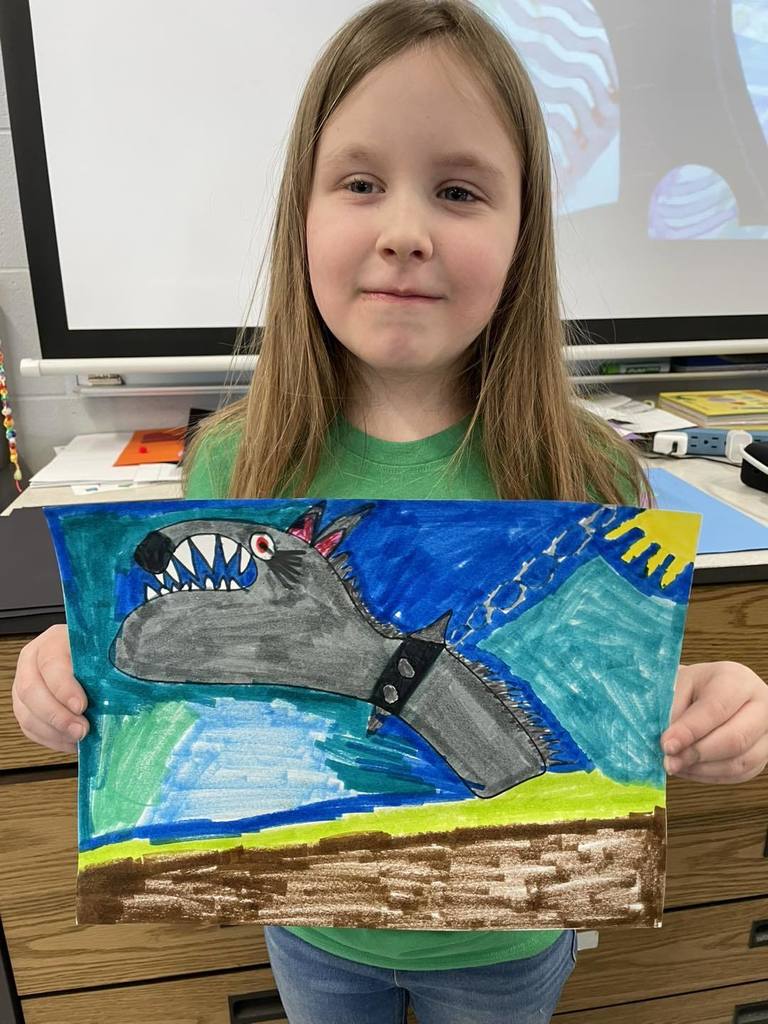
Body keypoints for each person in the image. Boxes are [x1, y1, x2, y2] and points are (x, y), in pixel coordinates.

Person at [12, 1, 768, 1021]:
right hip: (314, 933)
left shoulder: (585, 469)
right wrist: (70, 677)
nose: (405, 232)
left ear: (522, 231)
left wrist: (710, 701)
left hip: (506, 942)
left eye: (458, 191)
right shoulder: (233, 456)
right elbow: (177, 692)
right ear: (304, 211)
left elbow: (615, 702)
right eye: (361, 183)